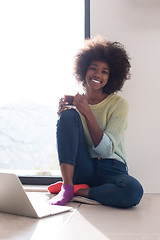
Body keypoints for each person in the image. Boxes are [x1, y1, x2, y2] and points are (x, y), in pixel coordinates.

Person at [48, 35, 143, 208]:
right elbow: (71, 144)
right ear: (84, 70)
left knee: (133, 190)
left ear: (111, 76)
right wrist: (64, 118)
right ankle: (68, 185)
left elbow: (106, 151)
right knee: (68, 116)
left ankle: (77, 191)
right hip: (84, 168)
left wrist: (87, 113)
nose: (98, 74)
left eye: (105, 71)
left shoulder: (119, 105)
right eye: (93, 68)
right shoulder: (76, 105)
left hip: (112, 168)